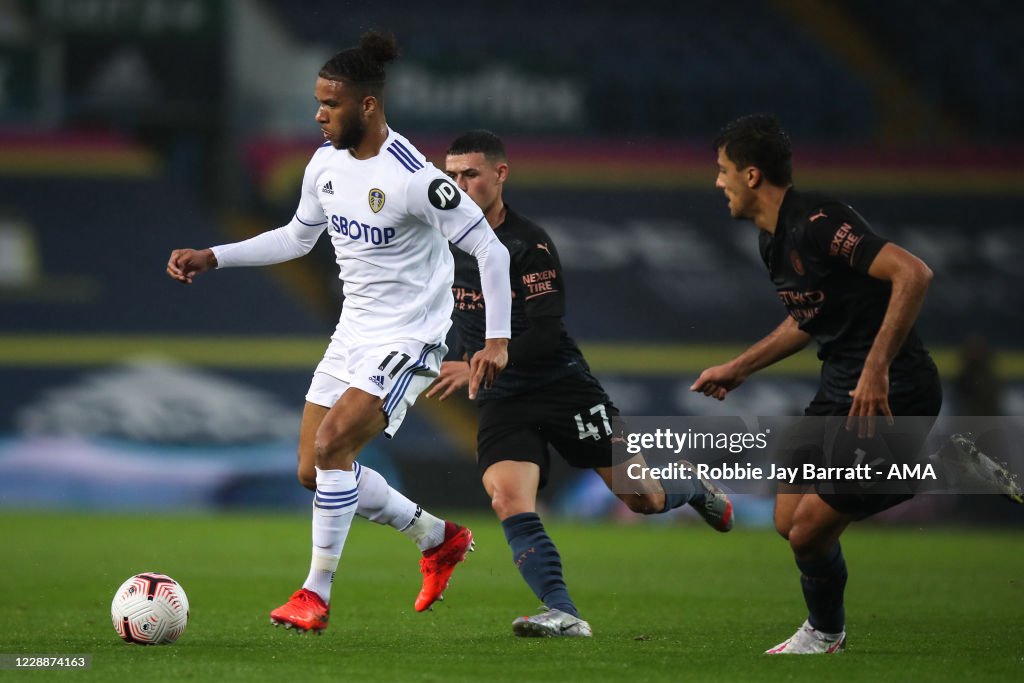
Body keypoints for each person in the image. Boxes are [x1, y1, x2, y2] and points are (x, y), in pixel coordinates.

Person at [166, 32, 512, 634]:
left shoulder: (414, 177)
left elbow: (489, 247)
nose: (318, 114)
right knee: (314, 469)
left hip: (409, 338)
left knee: (332, 447)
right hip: (352, 332)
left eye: (331, 104)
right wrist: (213, 256)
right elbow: (298, 237)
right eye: (319, 102)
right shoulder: (324, 163)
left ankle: (313, 594)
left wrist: (497, 340)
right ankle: (438, 537)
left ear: (368, 106)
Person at [692, 113, 1019, 655]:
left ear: (752, 175)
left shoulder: (821, 220)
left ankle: (826, 632)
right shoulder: (771, 241)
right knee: (787, 519)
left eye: (723, 170)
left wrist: (875, 367)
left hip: (893, 392)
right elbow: (806, 318)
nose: (717, 181)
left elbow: (913, 273)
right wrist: (740, 367)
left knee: (809, 533)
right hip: (839, 389)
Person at [426, 130, 733, 638]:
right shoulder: (440, 240)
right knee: (507, 497)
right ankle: (564, 612)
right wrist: (461, 357)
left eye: (470, 174)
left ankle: (692, 487)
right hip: (504, 397)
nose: (458, 184)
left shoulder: (529, 244)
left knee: (642, 499)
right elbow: (459, 315)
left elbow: (546, 334)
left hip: (562, 388)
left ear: (500, 175)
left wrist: (483, 360)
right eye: (450, 175)